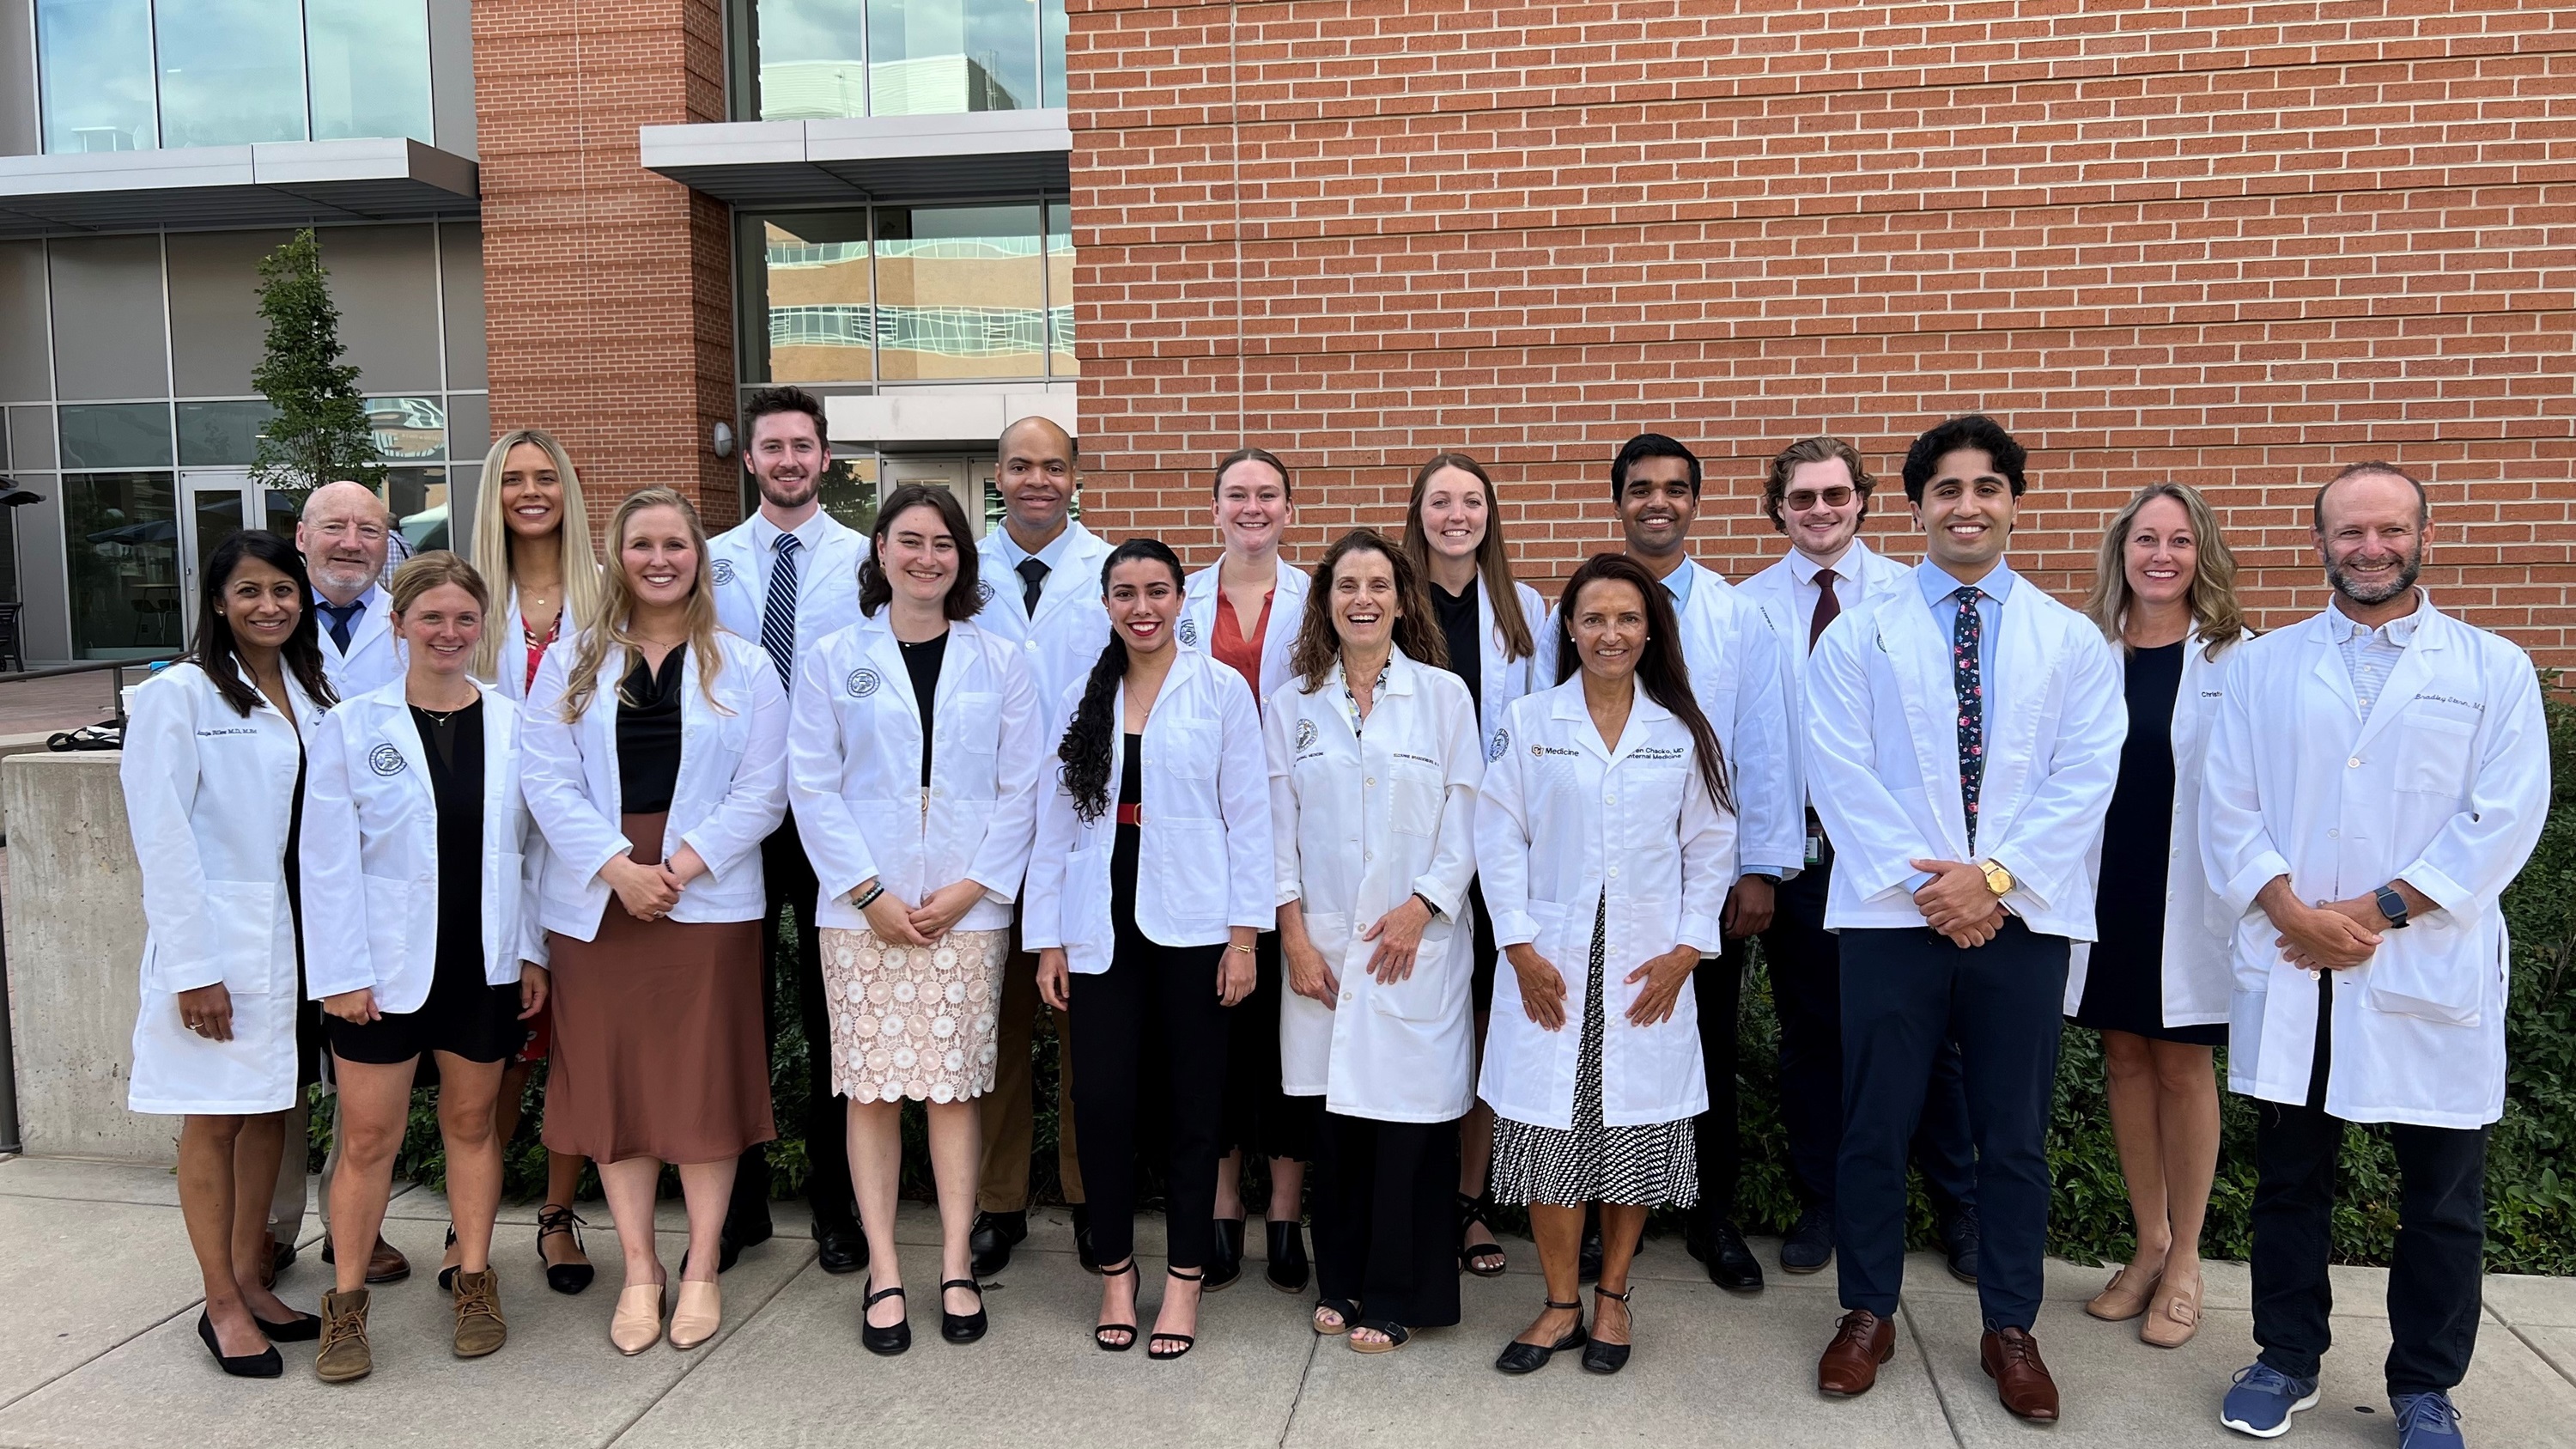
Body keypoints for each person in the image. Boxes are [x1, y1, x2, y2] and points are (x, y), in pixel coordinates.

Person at [2205, 463, 2550, 1447]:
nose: (2370, 547)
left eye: (2389, 529)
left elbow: (2503, 818)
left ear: (2422, 536)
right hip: (2296, 960)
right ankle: (2285, 1356)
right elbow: (2227, 804)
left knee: (2441, 1197)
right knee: (2289, 1179)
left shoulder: (2492, 668)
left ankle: (2426, 1386)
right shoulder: (2266, 665)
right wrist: (2291, 910)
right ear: (2319, 542)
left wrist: (2370, 911)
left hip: (2421, 968)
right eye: (2350, 531)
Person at [1805, 416, 2124, 1422]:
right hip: (1893, 920)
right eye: (1947, 488)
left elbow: (2085, 777)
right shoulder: (1864, 630)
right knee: (1874, 1125)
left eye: (1988, 487)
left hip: (2019, 920)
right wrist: (1937, 893)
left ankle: (2011, 1325)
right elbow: (1839, 769)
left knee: (2013, 1134)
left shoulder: (2068, 638)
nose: (1968, 504)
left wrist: (1992, 880)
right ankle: (1867, 1310)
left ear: (2014, 504)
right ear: (1918, 507)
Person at [522, 488, 790, 1356]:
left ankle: (703, 1263)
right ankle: (641, 1268)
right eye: (643, 543)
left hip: (703, 895)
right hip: (602, 900)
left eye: (677, 542)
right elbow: (546, 780)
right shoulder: (572, 660)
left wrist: (677, 866)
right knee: (620, 1087)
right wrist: (617, 869)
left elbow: (766, 786)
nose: (661, 557)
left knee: (703, 1084)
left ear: (697, 558)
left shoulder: (744, 665)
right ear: (618, 556)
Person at [1535, 434, 1796, 1291]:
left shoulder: (1736, 615)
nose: (1659, 501)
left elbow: (1758, 743)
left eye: (1675, 489)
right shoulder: (1574, 611)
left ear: (1695, 502)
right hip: (1584, 888)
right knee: (1589, 1054)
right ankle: (1606, 1220)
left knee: (1700, 1045)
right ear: (1619, 502)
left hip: (1699, 881)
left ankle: (1709, 1216)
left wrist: (1755, 868)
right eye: (1641, 488)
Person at [790, 484, 1044, 1355]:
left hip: (964, 915)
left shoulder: (1002, 659)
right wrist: (867, 892)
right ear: (882, 551)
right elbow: (810, 783)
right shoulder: (831, 656)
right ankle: (886, 1268)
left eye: (943, 543)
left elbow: (1023, 785)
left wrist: (974, 886)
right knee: (868, 1089)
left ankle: (954, 1264)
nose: (926, 557)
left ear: (963, 560)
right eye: (910, 540)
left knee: (953, 1090)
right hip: (861, 912)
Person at [1479, 552, 1735, 1376]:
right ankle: (1560, 1303)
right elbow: (1497, 837)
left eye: (1627, 618)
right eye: (1593, 618)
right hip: (1550, 965)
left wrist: (1688, 950)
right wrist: (1517, 945)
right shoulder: (1529, 722)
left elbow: (1712, 845)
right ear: (1570, 628)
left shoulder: (1682, 730)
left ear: (1650, 629)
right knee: (1551, 1135)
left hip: (1644, 969)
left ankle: (1614, 1296)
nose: (1611, 633)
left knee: (1630, 1135)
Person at [298, 552, 550, 1381]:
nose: (449, 632)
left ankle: (474, 1278)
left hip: (481, 964)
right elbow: (325, 861)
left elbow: (533, 851)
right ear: (399, 623)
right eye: (431, 617)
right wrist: (339, 972)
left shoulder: (517, 724)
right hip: (380, 972)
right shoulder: (352, 725)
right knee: (369, 1136)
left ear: (485, 628)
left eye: (465, 619)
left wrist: (531, 952)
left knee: (473, 1127)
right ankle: (345, 1305)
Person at [1735, 437, 1979, 1279]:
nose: (1820, 511)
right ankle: (1826, 1201)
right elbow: (1748, 745)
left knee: (1929, 1038)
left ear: (1864, 501)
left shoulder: (1913, 598)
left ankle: (1960, 1206)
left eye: (1835, 495)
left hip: (1903, 863)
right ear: (1779, 509)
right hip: (1799, 857)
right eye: (1802, 498)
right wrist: (1756, 864)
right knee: (1813, 1038)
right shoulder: (1748, 607)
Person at [1027, 538, 1273, 1361]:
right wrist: (1048, 938)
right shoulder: (1080, 696)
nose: (1143, 607)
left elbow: (1251, 820)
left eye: (1158, 590)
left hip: (1195, 923)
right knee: (1100, 1103)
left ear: (1181, 600)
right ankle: (1116, 1273)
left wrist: (1245, 937)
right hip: (1101, 925)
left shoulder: (1222, 692)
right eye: (1125, 592)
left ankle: (1186, 1279)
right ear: (1106, 605)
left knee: (1193, 1109)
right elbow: (1054, 826)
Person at [124, 529, 337, 1378]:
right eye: (250, 590)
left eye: (283, 590)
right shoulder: (178, 697)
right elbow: (162, 837)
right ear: (217, 602)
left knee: (270, 1109)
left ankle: (253, 1275)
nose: (269, 605)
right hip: (223, 944)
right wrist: (193, 967)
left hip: (296, 942)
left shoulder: (311, 692)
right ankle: (219, 1301)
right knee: (213, 1117)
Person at [1267, 529, 1483, 1352]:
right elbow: (1274, 832)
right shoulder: (1292, 705)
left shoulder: (1443, 696)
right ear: (1325, 601)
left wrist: (1424, 904)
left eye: (1378, 585)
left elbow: (1469, 813)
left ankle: (1399, 1292)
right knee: (1338, 1127)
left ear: (1402, 599)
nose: (1363, 599)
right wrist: (1293, 934)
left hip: (1413, 944)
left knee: (1409, 1129)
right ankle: (1342, 1280)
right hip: (1322, 948)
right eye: (1346, 585)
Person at [2068, 483, 2247, 1349]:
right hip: (2107, 886)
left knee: (2182, 1067)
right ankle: (2147, 1244)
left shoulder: (2237, 659)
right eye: (2146, 539)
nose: (2161, 555)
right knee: (2125, 1061)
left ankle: (2186, 1263)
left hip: (2193, 892)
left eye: (2179, 539)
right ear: (2123, 551)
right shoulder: (2088, 651)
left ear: (2200, 551)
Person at [706, 386, 872, 1275]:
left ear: (824, 455)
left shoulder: (864, 561)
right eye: (773, 446)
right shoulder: (708, 559)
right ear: (751, 459)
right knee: (737, 1012)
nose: (788, 460)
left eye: (803, 446)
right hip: (735, 812)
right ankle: (740, 1202)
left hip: (828, 817)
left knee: (831, 1009)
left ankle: (838, 1207)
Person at [1397, 451, 1548, 1280]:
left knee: (1488, 1026)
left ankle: (1469, 1201)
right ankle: (1417, 1197)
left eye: (1472, 501)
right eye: (1441, 501)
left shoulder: (1524, 609)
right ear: (1417, 512)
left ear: (1490, 515)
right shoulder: (1389, 599)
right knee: (1422, 1018)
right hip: (1415, 842)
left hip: (1501, 845)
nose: (1457, 515)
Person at [969, 414, 1110, 1278]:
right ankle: (998, 1203)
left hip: (1081, 830)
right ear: (997, 474)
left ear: (1075, 476)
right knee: (1000, 1027)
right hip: (983, 834)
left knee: (1085, 1030)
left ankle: (1092, 1195)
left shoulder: (1107, 572)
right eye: (1020, 465)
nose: (1036, 480)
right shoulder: (961, 568)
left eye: (1052, 466)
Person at [468, 428, 605, 1297]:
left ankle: (557, 1216)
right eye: (513, 479)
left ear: (569, 490)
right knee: (491, 1055)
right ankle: (468, 1219)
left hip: (582, 858)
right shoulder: (465, 595)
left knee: (574, 1049)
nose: (530, 492)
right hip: (482, 859)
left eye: (545, 477)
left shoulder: (606, 597)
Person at [1177, 447, 1315, 1292]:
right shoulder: (1179, 598)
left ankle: (1286, 1214)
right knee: (1219, 1033)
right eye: (1238, 494)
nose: (1253, 506)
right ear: (1216, 507)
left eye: (1268, 494)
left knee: (1290, 1030)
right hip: (1204, 838)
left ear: (1289, 509)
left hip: (1301, 830)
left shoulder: (1318, 599)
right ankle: (1223, 1206)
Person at [274, 479, 410, 1289]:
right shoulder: (269, 619)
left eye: (369, 528)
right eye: (335, 527)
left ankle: (355, 1226)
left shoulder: (407, 623)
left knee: (360, 1057)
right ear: (302, 535)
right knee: (282, 1058)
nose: (351, 542)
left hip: (384, 874)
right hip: (278, 863)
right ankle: (270, 1225)